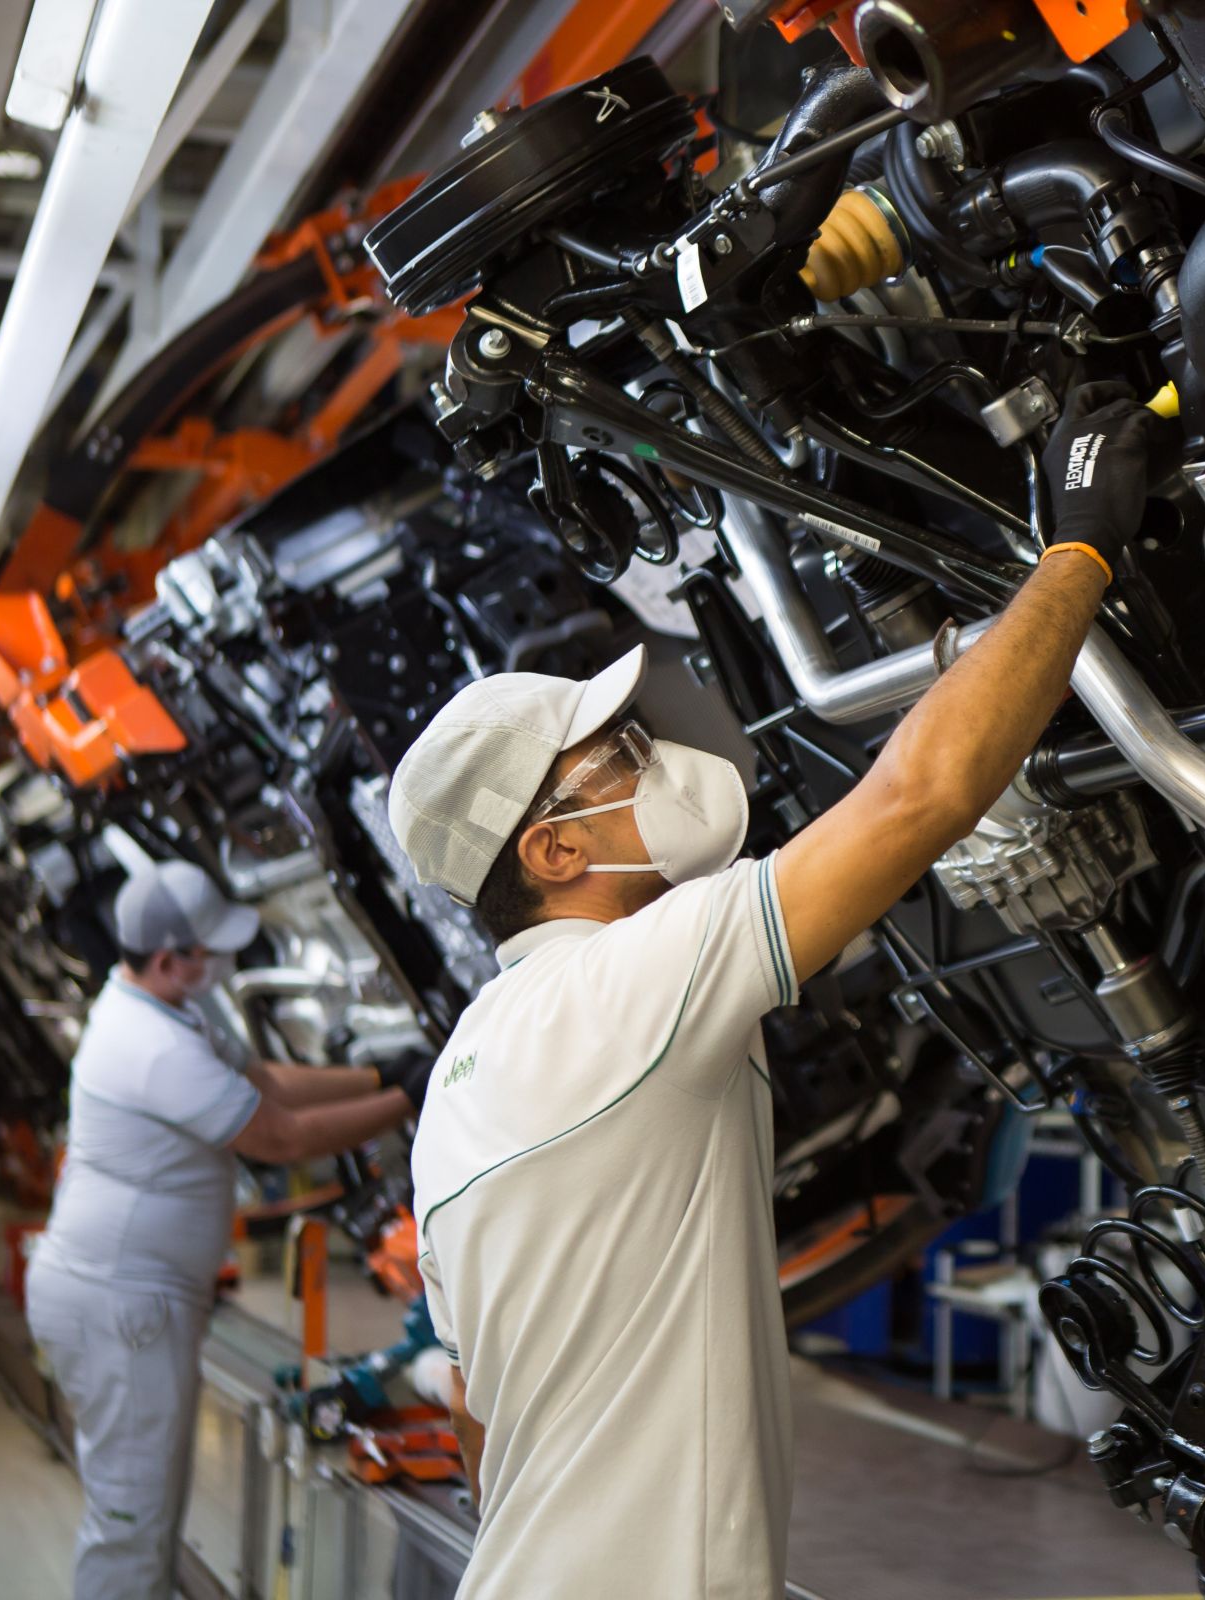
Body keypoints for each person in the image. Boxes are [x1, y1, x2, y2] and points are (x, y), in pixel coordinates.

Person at [389, 385, 1160, 1599]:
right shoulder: (623, 991)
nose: (650, 758)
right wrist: (1077, 547)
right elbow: (921, 797)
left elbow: (479, 1415)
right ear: (551, 854)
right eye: (615, 758)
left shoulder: (464, 1081)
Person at [25, 858, 432, 1600]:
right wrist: (409, 1103)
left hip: (130, 1299)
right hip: (118, 1304)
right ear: (169, 957)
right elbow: (276, 1136)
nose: (222, 958)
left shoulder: (173, 1009)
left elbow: (268, 1080)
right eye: (207, 948)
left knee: (145, 1509)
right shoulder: (147, 1044)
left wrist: (383, 1075)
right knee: (129, 1521)